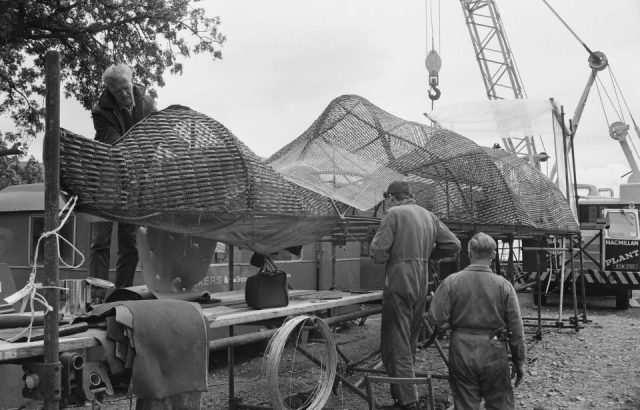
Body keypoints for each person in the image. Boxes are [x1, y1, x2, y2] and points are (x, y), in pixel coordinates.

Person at [370, 180, 461, 410]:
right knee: (409, 340)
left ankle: (408, 402)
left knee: (396, 342)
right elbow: (454, 244)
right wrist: (429, 257)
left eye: (387, 199)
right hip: (421, 281)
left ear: (391, 197)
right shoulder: (429, 216)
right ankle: (401, 395)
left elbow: (379, 254)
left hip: (399, 281)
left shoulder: (393, 214)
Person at [427, 232, 525, 410]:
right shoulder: (504, 286)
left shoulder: (451, 282)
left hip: (461, 350)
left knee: (465, 404)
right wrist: (520, 361)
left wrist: (450, 323)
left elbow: (435, 318)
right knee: (499, 404)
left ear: (469, 252)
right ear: (493, 255)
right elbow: (516, 329)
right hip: (494, 349)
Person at [88, 64, 156, 302]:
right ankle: (96, 296)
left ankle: (122, 294)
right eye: (118, 92)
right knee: (100, 241)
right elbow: (115, 144)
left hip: (133, 182)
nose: (124, 94)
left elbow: (155, 137)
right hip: (105, 179)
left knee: (130, 243)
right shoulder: (100, 111)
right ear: (110, 91)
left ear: (132, 81)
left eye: (126, 88)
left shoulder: (147, 103)